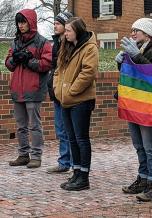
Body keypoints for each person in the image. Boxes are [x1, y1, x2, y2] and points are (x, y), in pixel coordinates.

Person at [115, 18, 152, 201]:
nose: (132, 34)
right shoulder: (136, 49)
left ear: (146, 34)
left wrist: (136, 55)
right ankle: (143, 178)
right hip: (135, 104)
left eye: (135, 30)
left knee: (150, 146)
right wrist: (121, 62)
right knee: (139, 146)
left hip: (149, 106)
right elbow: (130, 75)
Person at [53, 17, 98, 191]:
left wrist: (71, 90)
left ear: (77, 31)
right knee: (72, 138)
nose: (66, 33)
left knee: (81, 139)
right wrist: (58, 90)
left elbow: (88, 72)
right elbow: (58, 71)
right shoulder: (67, 46)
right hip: (65, 100)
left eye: (69, 31)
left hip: (81, 100)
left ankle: (84, 177)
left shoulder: (89, 48)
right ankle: (76, 172)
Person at [5, 9, 52, 168]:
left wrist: (29, 61)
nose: (21, 25)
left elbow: (47, 64)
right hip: (17, 90)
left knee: (34, 125)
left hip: (34, 90)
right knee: (20, 126)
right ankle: (23, 154)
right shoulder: (15, 42)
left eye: (23, 22)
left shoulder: (42, 42)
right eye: (19, 22)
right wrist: (15, 59)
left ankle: (36, 156)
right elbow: (8, 65)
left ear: (31, 22)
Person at [46, 11, 73, 174]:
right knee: (60, 129)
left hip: (67, 93)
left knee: (69, 130)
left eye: (58, 23)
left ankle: (73, 163)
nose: (55, 25)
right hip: (56, 92)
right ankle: (64, 161)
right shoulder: (56, 42)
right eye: (54, 23)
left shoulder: (70, 44)